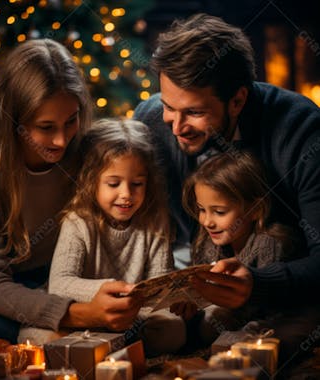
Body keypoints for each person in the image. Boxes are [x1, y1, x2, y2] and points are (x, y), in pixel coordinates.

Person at [134, 12, 320, 364]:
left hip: (281, 293)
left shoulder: (300, 131)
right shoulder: (151, 123)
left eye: (194, 112)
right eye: (168, 107)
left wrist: (259, 283)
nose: (176, 126)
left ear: (237, 100)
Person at [0, 39, 140, 343]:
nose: (61, 140)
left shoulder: (87, 150)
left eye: (71, 121)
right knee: (31, 337)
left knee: (123, 330)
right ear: (14, 121)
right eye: (46, 127)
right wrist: (81, 314)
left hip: (53, 277)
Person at [19, 118, 186, 356]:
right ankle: (106, 348)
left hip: (132, 316)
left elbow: (159, 283)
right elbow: (60, 283)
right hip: (83, 316)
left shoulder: (155, 220)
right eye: (113, 183)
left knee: (173, 329)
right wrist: (116, 290)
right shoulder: (78, 221)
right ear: (91, 180)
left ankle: (110, 348)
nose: (126, 194)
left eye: (137, 183)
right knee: (38, 336)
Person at [172, 151, 296, 344]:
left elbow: (274, 309)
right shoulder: (206, 240)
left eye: (219, 212)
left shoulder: (269, 245)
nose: (206, 221)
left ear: (255, 209)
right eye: (202, 209)